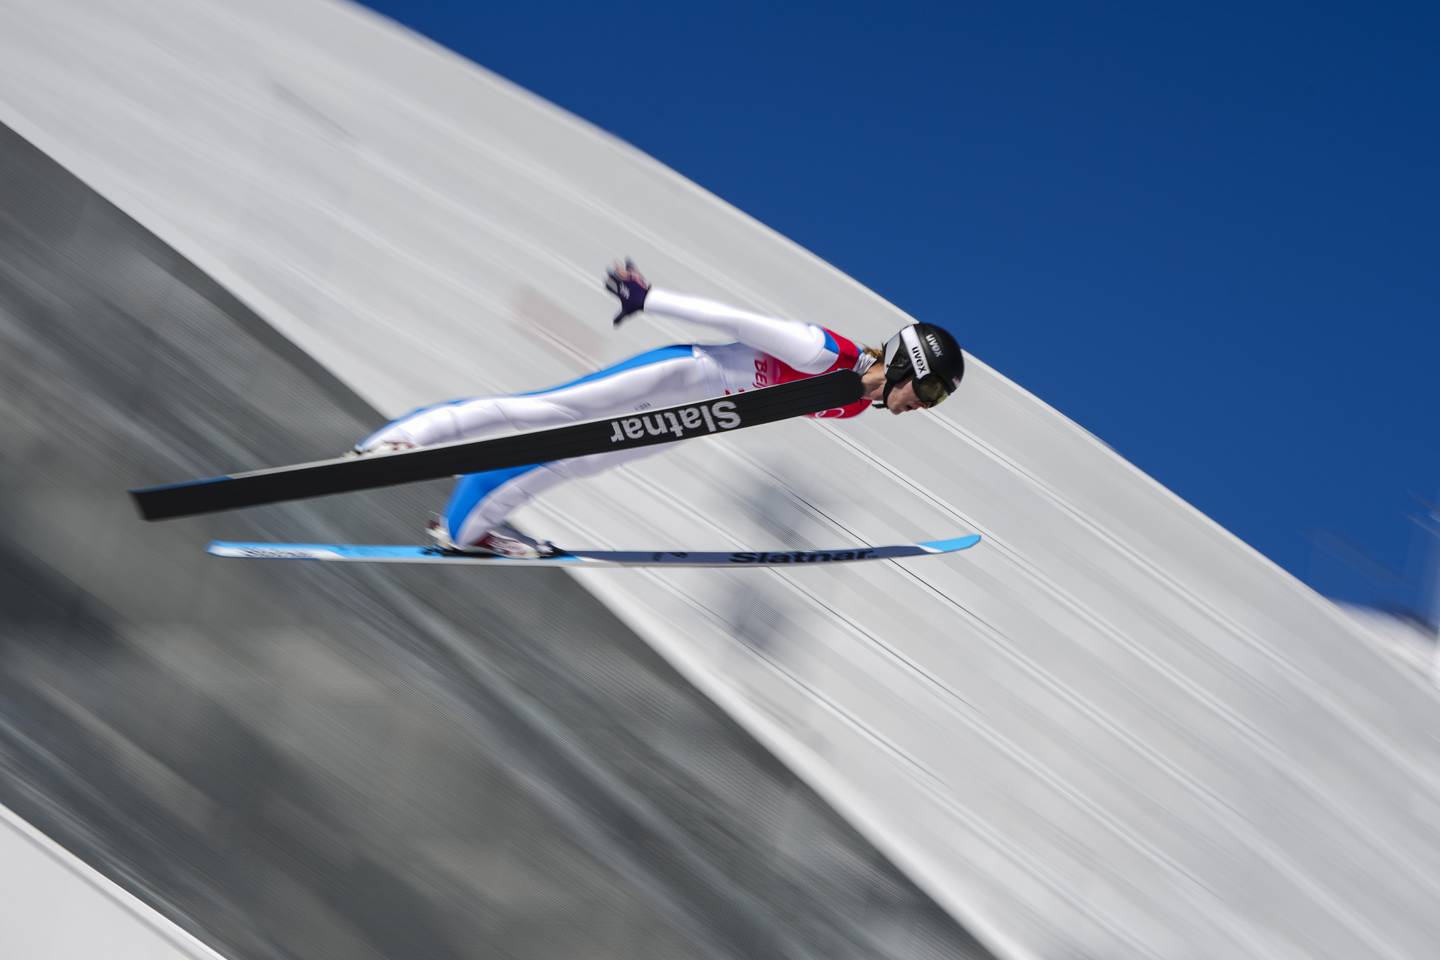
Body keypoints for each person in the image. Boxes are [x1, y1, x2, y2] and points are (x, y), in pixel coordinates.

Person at [351, 261, 965, 556]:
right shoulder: (825, 353)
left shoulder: (853, 405)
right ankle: (405, 439)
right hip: (683, 373)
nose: (924, 405)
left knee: (578, 463)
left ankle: (468, 527)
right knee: (546, 413)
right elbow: (738, 321)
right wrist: (651, 298)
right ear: (908, 365)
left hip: (700, 415)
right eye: (929, 390)